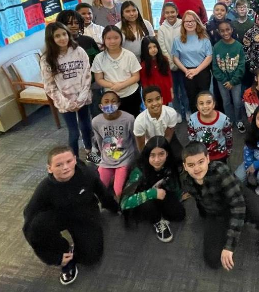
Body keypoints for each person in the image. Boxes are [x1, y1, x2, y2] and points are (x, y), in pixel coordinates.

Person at [23, 146, 119, 286]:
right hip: (59, 215)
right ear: (49, 168)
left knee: (91, 258)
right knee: (38, 224)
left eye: (69, 161)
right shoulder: (44, 189)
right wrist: (53, 258)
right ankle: (65, 253)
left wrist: (115, 208)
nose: (65, 167)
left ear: (75, 160)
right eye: (59, 165)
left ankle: (78, 247)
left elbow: (102, 192)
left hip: (84, 212)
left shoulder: (87, 174)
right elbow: (29, 223)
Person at [182, 141, 259, 270]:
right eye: (191, 165)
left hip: (238, 199)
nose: (197, 168)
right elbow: (201, 201)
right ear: (185, 166)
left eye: (200, 162)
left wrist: (229, 247)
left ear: (208, 159)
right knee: (213, 260)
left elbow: (238, 205)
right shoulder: (187, 182)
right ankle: (232, 226)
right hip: (217, 213)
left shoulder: (220, 171)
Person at [40, 22, 92, 158]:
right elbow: (50, 86)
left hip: (82, 98)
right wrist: (67, 103)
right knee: (74, 133)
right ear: (51, 39)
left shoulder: (79, 51)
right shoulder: (46, 59)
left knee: (86, 126)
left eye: (64, 34)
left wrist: (81, 99)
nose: (62, 38)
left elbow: (87, 76)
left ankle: (90, 151)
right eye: (57, 36)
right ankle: (73, 158)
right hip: (65, 102)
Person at [121, 136, 186, 242]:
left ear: (167, 154)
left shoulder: (169, 164)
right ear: (147, 156)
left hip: (160, 193)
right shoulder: (138, 171)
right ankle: (157, 221)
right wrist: (151, 194)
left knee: (179, 214)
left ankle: (160, 211)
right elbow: (124, 203)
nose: (157, 160)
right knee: (149, 207)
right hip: (143, 199)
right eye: (152, 155)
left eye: (161, 154)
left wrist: (178, 195)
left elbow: (172, 180)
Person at [92, 91, 137, 198]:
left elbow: (135, 139)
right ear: (100, 106)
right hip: (106, 160)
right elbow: (99, 142)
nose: (110, 105)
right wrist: (103, 158)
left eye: (113, 102)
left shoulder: (129, 119)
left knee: (119, 192)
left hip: (124, 158)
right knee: (99, 189)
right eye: (106, 102)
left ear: (119, 104)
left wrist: (135, 158)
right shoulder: (96, 121)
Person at [91, 25, 142, 117]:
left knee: (133, 119)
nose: (112, 41)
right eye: (109, 38)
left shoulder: (129, 55)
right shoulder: (99, 58)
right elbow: (99, 79)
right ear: (104, 39)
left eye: (116, 38)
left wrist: (121, 85)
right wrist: (113, 86)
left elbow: (136, 76)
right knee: (115, 121)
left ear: (121, 38)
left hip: (131, 94)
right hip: (110, 97)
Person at [134, 86, 182, 175]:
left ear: (162, 99)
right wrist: (150, 155)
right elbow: (141, 145)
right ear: (144, 103)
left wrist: (162, 151)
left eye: (157, 99)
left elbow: (169, 134)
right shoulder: (139, 121)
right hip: (149, 142)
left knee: (178, 155)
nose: (155, 103)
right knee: (144, 164)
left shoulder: (171, 112)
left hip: (166, 138)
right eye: (149, 101)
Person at [171, 10, 212, 112]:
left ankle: (205, 117)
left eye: (192, 21)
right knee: (191, 97)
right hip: (187, 72)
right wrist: (186, 70)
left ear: (197, 22)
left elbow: (209, 57)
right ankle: (195, 119)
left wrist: (197, 70)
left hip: (202, 71)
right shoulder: (178, 40)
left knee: (204, 98)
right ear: (183, 23)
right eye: (187, 21)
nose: (189, 23)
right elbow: (175, 58)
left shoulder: (204, 39)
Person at [212, 20, 246, 133]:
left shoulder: (238, 46)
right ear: (218, 32)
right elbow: (215, 66)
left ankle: (239, 120)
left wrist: (233, 81)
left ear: (231, 30)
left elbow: (241, 65)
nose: (225, 33)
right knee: (226, 101)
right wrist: (224, 80)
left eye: (227, 30)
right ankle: (229, 120)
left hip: (236, 81)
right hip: (222, 81)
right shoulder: (216, 47)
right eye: (222, 31)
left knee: (237, 102)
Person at [157, 1, 188, 123]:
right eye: (167, 13)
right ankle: (177, 111)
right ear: (164, 14)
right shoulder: (162, 29)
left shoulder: (183, 25)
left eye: (172, 12)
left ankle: (188, 110)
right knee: (174, 90)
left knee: (185, 89)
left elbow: (186, 43)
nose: (170, 15)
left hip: (184, 64)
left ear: (177, 12)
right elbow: (162, 47)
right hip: (169, 66)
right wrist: (171, 63)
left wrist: (181, 63)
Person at [188, 91, 233, 163]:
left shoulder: (224, 119)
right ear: (197, 106)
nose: (205, 106)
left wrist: (228, 150)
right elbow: (192, 138)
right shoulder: (192, 119)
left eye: (208, 102)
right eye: (201, 103)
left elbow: (229, 137)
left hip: (220, 154)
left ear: (214, 104)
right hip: (201, 154)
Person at [140, 37, 173, 106]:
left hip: (165, 91)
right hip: (153, 94)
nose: (153, 50)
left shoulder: (164, 60)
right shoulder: (143, 65)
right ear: (145, 49)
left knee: (165, 108)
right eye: (149, 48)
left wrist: (171, 90)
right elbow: (144, 83)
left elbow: (169, 76)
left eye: (154, 46)